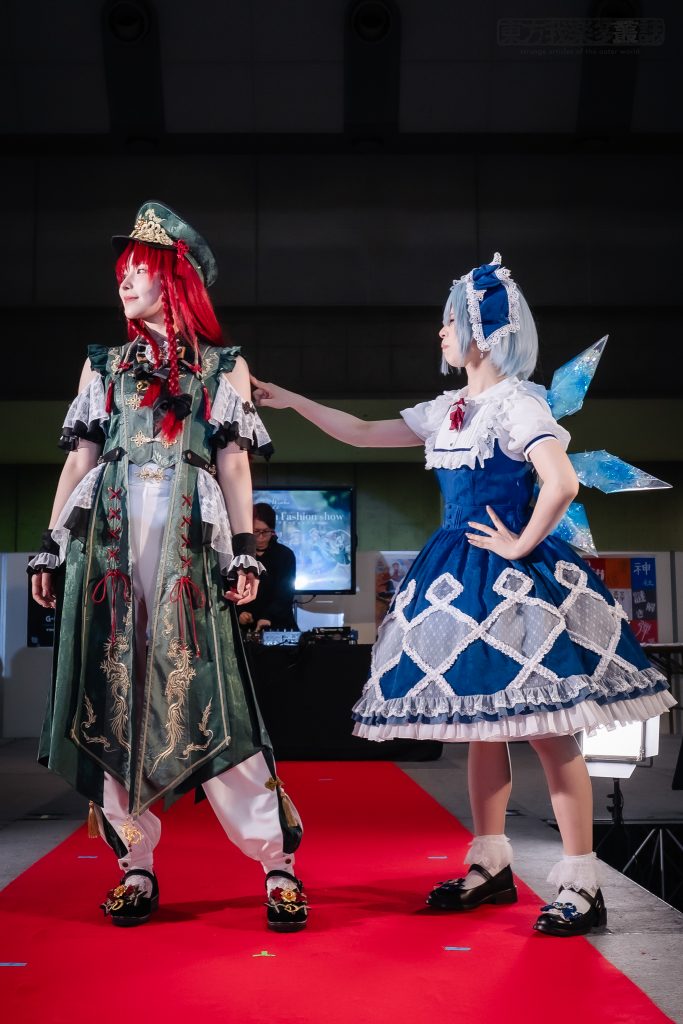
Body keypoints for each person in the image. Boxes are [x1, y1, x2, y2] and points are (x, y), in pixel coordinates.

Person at [251, 252, 675, 937]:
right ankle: (490, 864)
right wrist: (291, 400)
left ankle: (581, 881)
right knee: (480, 727)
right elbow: (362, 432)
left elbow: (560, 481)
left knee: (547, 729)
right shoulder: (448, 410)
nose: (441, 333)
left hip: (513, 579)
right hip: (456, 574)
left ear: (481, 330)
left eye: (449, 322)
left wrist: (519, 543)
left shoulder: (517, 403)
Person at [28, 201, 307, 932]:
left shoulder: (222, 365)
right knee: (112, 695)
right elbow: (80, 460)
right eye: (121, 272)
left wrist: (243, 549)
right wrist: (51, 544)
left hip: (188, 543)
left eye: (139, 271)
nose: (124, 283)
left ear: (173, 279)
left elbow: (234, 463)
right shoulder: (103, 365)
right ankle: (136, 865)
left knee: (214, 694)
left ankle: (276, 864)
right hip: (109, 547)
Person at [239, 502, 298, 632]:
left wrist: (268, 616)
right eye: (256, 532)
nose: (260, 538)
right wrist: (241, 612)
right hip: (246, 626)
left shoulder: (285, 555)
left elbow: (286, 593)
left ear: (272, 531)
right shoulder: (239, 556)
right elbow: (232, 590)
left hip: (279, 623)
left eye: (265, 532)